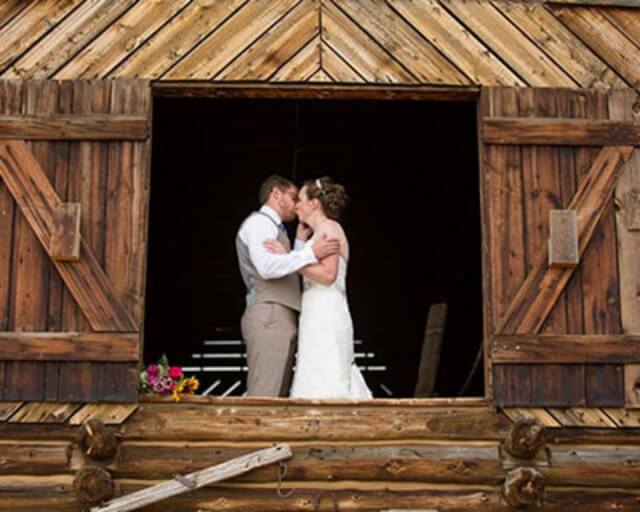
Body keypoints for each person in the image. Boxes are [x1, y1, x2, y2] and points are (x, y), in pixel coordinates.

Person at [264, 177, 372, 399]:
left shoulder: (329, 228)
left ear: (314, 204)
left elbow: (328, 275)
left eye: (301, 200)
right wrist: (300, 244)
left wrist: (290, 257)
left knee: (328, 370)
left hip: (326, 312)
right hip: (316, 312)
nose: (297, 206)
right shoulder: (317, 233)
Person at [235, 175, 340, 397]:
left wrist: (299, 245)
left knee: (276, 395)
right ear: (275, 194)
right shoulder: (260, 223)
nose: (297, 204)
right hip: (270, 314)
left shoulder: (274, 228)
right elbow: (267, 266)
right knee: (265, 396)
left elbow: (284, 264)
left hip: (279, 315)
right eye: (293, 197)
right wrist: (310, 253)